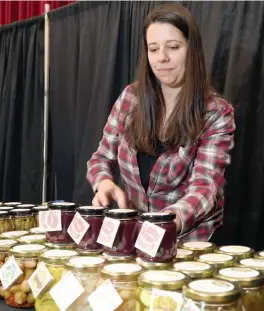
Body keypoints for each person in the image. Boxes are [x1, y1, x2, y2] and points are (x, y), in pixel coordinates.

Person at [86, 3, 235, 242]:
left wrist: (166, 223)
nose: (162, 58)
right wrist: (102, 182)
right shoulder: (130, 99)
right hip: (133, 238)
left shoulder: (216, 112)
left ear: (191, 49)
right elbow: (101, 157)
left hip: (188, 242)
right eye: (153, 49)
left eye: (173, 47)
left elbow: (205, 187)